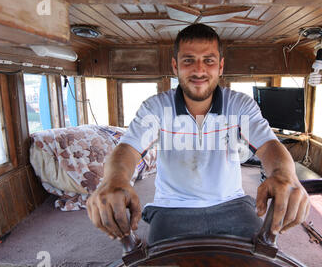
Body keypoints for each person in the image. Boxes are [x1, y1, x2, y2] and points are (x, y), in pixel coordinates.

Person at [86, 24, 310, 245]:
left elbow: (270, 146)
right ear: (175, 66)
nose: (199, 70)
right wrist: (115, 178)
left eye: (209, 60)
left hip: (232, 202)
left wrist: (284, 173)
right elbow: (127, 149)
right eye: (188, 60)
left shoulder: (241, 105)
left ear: (220, 66)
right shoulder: (155, 107)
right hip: (171, 207)